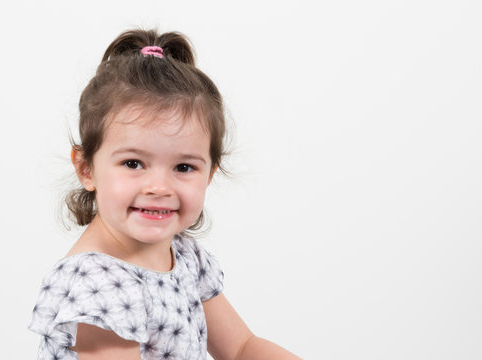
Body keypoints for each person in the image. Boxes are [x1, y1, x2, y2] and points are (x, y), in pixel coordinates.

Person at [29, 29, 300, 360]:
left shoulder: (183, 254)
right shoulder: (97, 282)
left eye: (184, 168)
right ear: (86, 168)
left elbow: (241, 347)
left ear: (210, 173)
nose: (159, 187)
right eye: (133, 163)